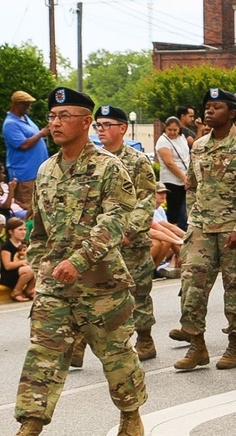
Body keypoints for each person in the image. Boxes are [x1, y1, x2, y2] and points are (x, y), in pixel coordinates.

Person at [0, 87, 147, 436]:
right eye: (52, 116)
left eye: (64, 116)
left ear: (86, 122)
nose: (55, 123)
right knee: (43, 357)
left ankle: (131, 415)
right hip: (57, 287)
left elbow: (115, 221)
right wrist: (40, 265)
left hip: (102, 285)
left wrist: (78, 259)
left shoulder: (109, 169)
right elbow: (39, 230)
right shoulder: (47, 170)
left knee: (116, 356)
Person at [167, 88, 236, 371]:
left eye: (216, 107)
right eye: (207, 107)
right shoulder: (198, 146)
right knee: (191, 287)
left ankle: (235, 345)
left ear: (232, 114)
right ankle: (197, 346)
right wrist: (193, 222)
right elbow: (192, 187)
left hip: (234, 230)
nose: (209, 111)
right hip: (202, 228)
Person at [94, 104, 158, 360]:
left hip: (131, 241)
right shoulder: (93, 160)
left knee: (138, 292)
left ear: (122, 128)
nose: (101, 130)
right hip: (101, 242)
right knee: (102, 295)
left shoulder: (137, 160)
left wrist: (129, 230)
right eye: (98, 125)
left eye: (106, 125)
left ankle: (145, 339)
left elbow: (146, 199)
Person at [2, 91, 49, 212]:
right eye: (26, 104)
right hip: (25, 176)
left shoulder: (25, 118)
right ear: (16, 104)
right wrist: (41, 133)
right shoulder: (10, 124)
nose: (29, 107)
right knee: (28, 210)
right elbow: (23, 145)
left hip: (37, 173)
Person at [155, 116, 190, 230]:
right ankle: (174, 235)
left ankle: (182, 232)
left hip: (184, 178)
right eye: (169, 129)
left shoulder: (182, 138)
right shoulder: (163, 141)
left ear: (179, 128)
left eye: (175, 130)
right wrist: (183, 178)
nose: (172, 132)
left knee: (184, 211)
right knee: (174, 211)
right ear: (165, 128)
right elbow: (169, 163)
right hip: (171, 181)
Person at [0, 217, 35, 302]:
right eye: (20, 230)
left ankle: (29, 290)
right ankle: (16, 292)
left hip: (22, 273)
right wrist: (23, 262)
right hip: (9, 275)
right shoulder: (6, 247)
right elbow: (7, 266)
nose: (23, 232)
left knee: (36, 267)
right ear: (11, 232)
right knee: (30, 269)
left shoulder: (24, 244)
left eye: (24, 229)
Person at [150, 182, 183, 272]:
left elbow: (167, 228)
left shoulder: (159, 209)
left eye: (164, 193)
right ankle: (151, 271)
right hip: (146, 237)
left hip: (156, 234)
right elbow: (162, 229)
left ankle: (187, 264)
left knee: (170, 240)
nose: (163, 195)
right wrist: (182, 239)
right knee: (162, 242)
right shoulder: (148, 208)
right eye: (159, 193)